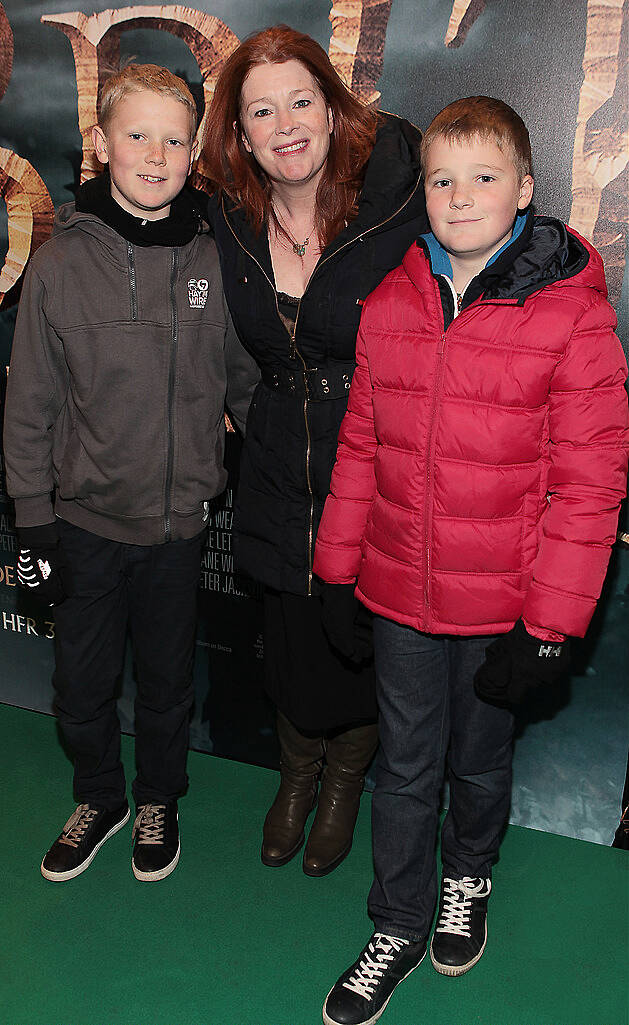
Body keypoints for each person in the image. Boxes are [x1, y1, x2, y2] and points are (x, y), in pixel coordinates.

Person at [313, 96, 629, 1024]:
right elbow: (361, 447)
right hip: (400, 595)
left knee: (479, 763)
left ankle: (469, 878)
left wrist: (552, 624)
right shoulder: (390, 298)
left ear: (526, 190)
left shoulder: (570, 314)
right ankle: (399, 921)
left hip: (504, 605)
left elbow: (590, 483)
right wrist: (336, 570)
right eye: (441, 179)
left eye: (483, 177)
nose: (458, 196)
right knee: (405, 766)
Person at [3, 64, 258, 883]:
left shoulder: (216, 261)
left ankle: (158, 794)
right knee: (79, 685)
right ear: (102, 143)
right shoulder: (59, 264)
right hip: (82, 525)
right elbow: (30, 405)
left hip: (179, 529)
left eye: (175, 139)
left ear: (196, 154)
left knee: (165, 679)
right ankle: (100, 794)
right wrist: (33, 523)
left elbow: (249, 384)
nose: (156, 153)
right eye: (138, 134)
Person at [203, 25, 426, 877]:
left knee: (363, 642)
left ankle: (341, 784)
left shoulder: (398, 208)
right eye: (262, 110)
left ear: (334, 111)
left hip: (376, 459)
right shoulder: (225, 215)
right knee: (291, 644)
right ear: (242, 133)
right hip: (272, 460)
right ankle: (295, 778)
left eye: (302, 100)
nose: (285, 123)